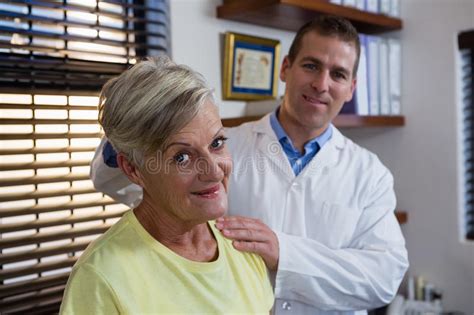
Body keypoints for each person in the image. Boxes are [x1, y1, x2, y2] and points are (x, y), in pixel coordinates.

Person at [91, 16, 409, 315]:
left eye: (338, 74)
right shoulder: (222, 148)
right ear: (285, 68)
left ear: (351, 87)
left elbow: (383, 278)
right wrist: (138, 123)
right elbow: (122, 181)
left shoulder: (369, 173)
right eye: (311, 66)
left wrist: (284, 253)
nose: (321, 84)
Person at [60, 56, 274, 314]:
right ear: (133, 169)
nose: (214, 170)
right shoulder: (102, 277)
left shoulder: (243, 250)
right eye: (182, 157)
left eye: (217, 143)